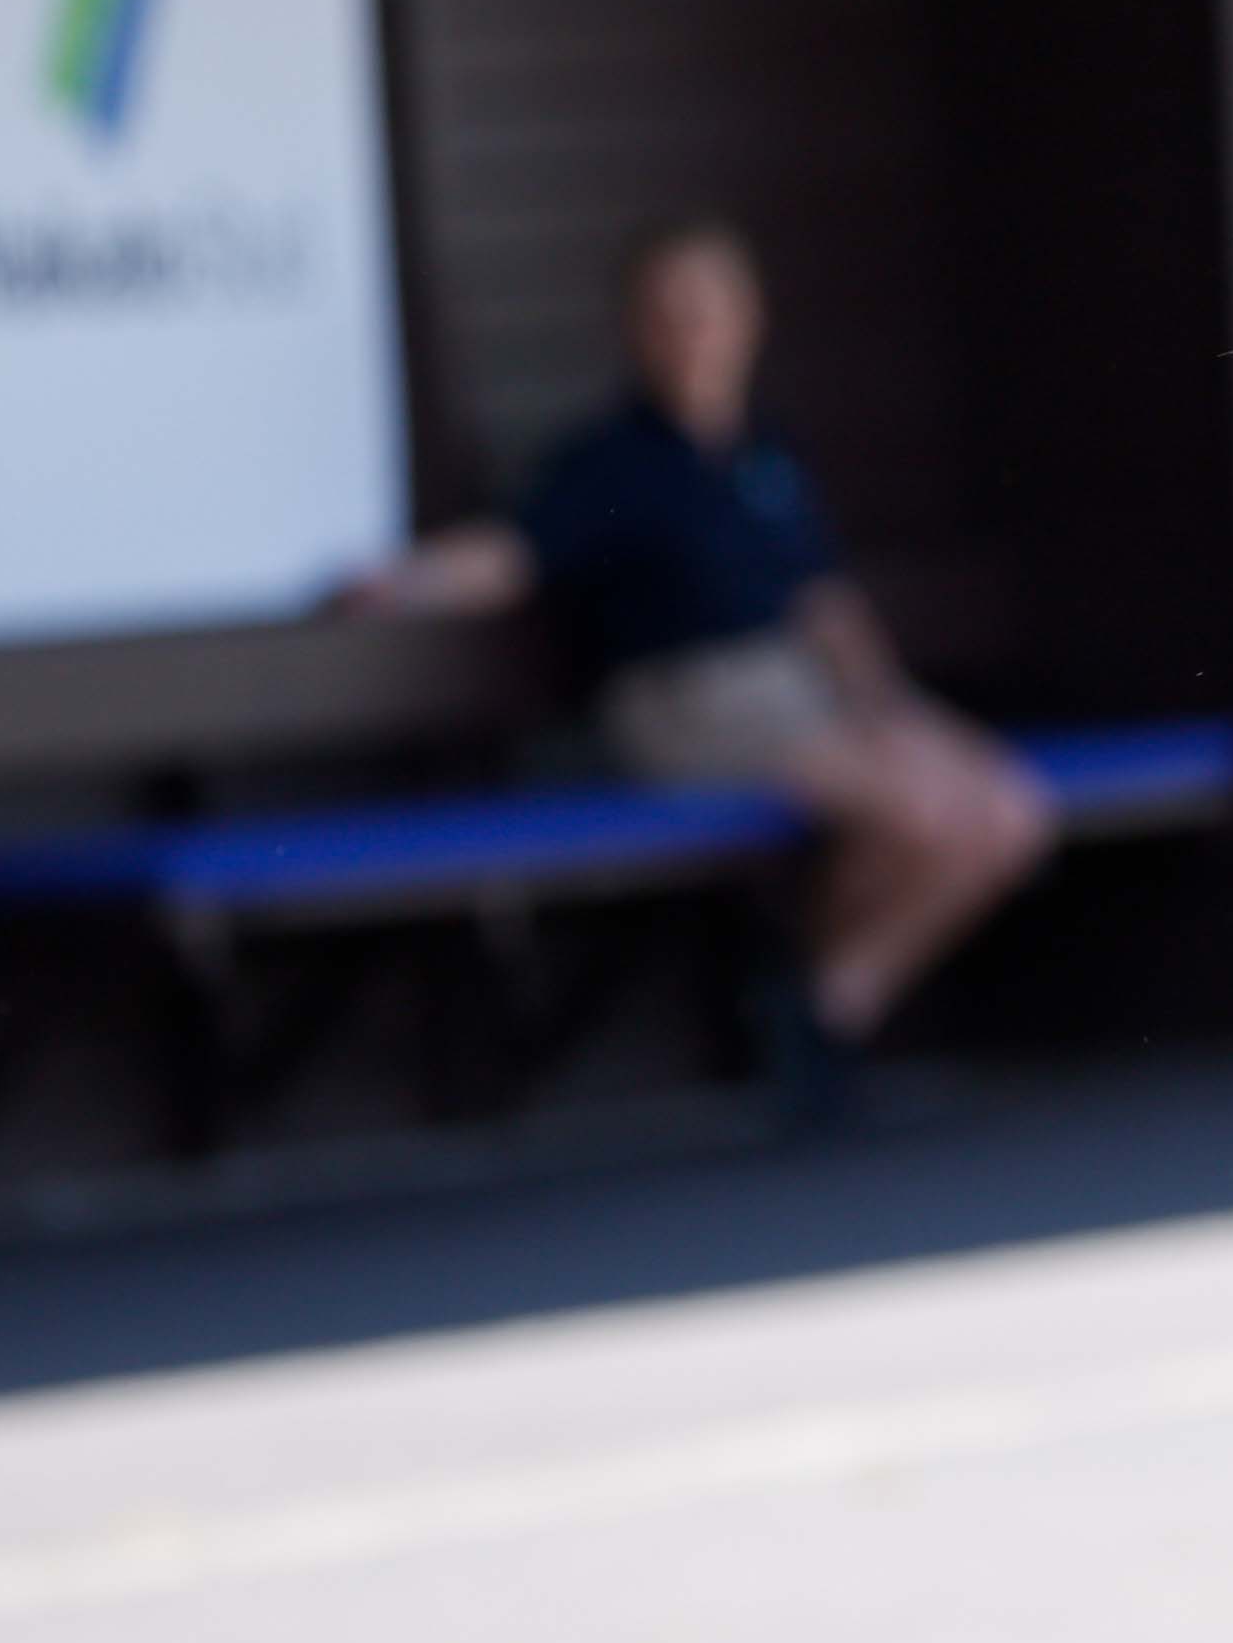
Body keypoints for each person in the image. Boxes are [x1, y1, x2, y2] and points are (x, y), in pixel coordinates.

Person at [349, 219, 1053, 1042]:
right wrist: (403, 579)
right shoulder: (614, 461)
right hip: (686, 701)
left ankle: (823, 999)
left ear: (749, 317)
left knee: (1009, 810)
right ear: (635, 327)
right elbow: (512, 555)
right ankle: (819, 1015)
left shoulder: (767, 452)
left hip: (798, 690)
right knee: (924, 813)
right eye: (668, 312)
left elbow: (823, 600)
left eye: (708, 308)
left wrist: (886, 701)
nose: (691, 332)